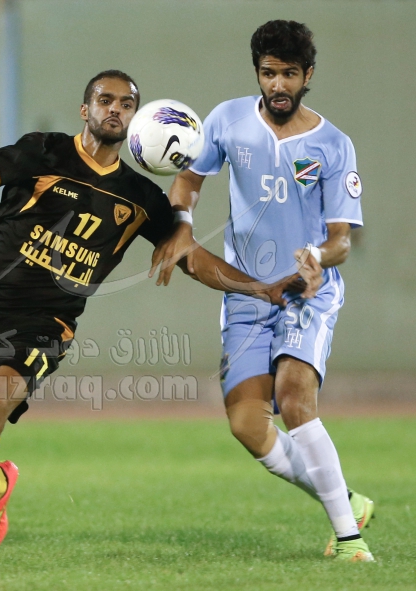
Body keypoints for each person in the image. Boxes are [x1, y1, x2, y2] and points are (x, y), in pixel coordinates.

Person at [0, 70, 309, 560]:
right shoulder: (42, 152)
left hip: (45, 326)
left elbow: (192, 259)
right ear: (85, 110)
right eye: (105, 100)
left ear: (135, 118)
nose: (115, 109)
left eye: (126, 104)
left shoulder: (141, 197)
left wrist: (261, 288)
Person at [150, 22, 375, 562]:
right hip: (248, 294)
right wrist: (182, 222)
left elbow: (342, 241)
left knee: (295, 400)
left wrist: (316, 256)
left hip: (305, 292)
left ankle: (350, 540)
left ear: (307, 75)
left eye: (289, 74)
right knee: (247, 425)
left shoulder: (333, 145)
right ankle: (346, 500)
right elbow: (189, 182)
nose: (278, 84)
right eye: (269, 73)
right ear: (257, 72)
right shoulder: (227, 120)